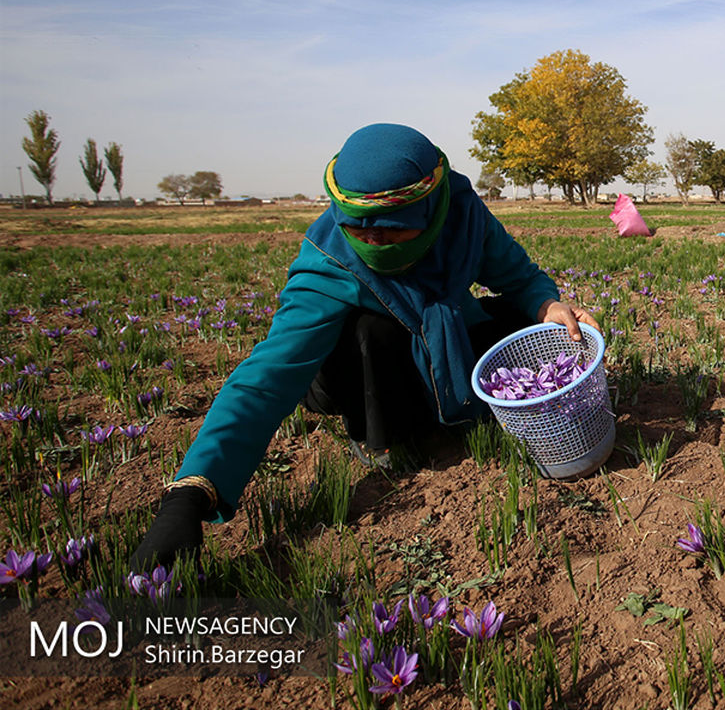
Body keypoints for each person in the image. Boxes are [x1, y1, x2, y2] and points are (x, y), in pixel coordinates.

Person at [131, 124, 596, 569]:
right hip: (358, 368)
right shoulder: (330, 259)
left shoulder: (461, 215)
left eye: (392, 230)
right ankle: (382, 440)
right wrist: (189, 496)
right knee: (373, 330)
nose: (374, 241)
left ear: (431, 208)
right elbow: (265, 381)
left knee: (523, 323)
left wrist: (547, 305)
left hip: (438, 342)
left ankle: (453, 408)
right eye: (361, 230)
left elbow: (517, 277)